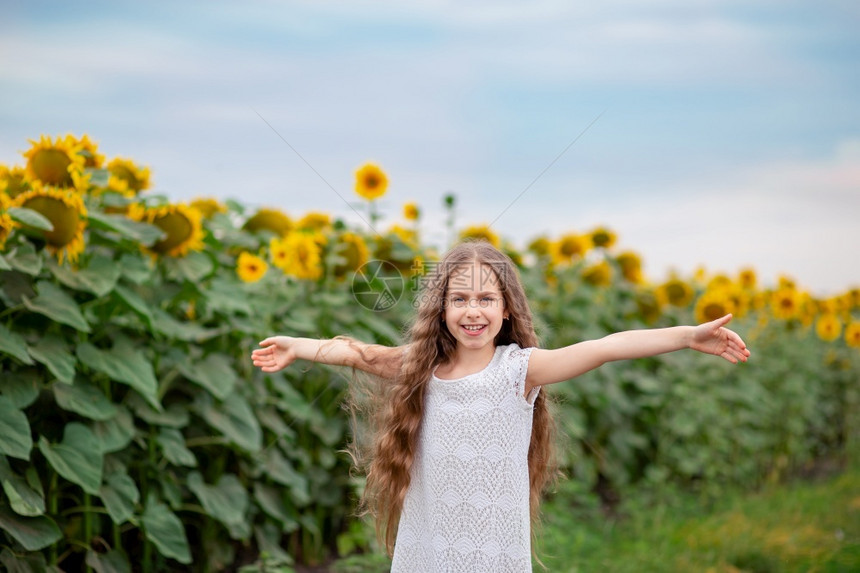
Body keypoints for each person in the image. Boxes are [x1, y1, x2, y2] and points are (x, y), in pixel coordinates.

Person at [251, 241, 750, 572]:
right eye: (460, 299)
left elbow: (605, 346)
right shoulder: (421, 367)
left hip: (493, 553)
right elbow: (357, 353)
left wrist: (687, 335)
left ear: (506, 308)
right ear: (442, 310)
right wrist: (296, 344)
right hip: (430, 550)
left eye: (486, 299)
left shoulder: (520, 371)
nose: (473, 311)